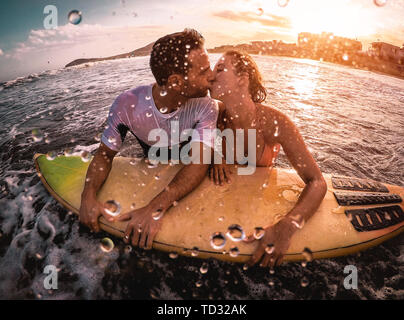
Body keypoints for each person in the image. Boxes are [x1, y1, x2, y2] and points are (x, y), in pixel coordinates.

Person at [79, 29, 219, 249]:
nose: (212, 76)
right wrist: (88, 196)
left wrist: (155, 207)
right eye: (203, 71)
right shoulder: (128, 105)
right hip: (155, 163)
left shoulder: (206, 105)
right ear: (175, 82)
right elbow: (105, 156)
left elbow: (199, 163)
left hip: (186, 169)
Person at [209, 50, 327, 268]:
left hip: (260, 203)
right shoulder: (211, 117)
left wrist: (287, 227)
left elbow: (317, 182)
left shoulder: (275, 123)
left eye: (219, 70)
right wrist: (216, 156)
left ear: (242, 80)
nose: (210, 76)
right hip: (223, 208)